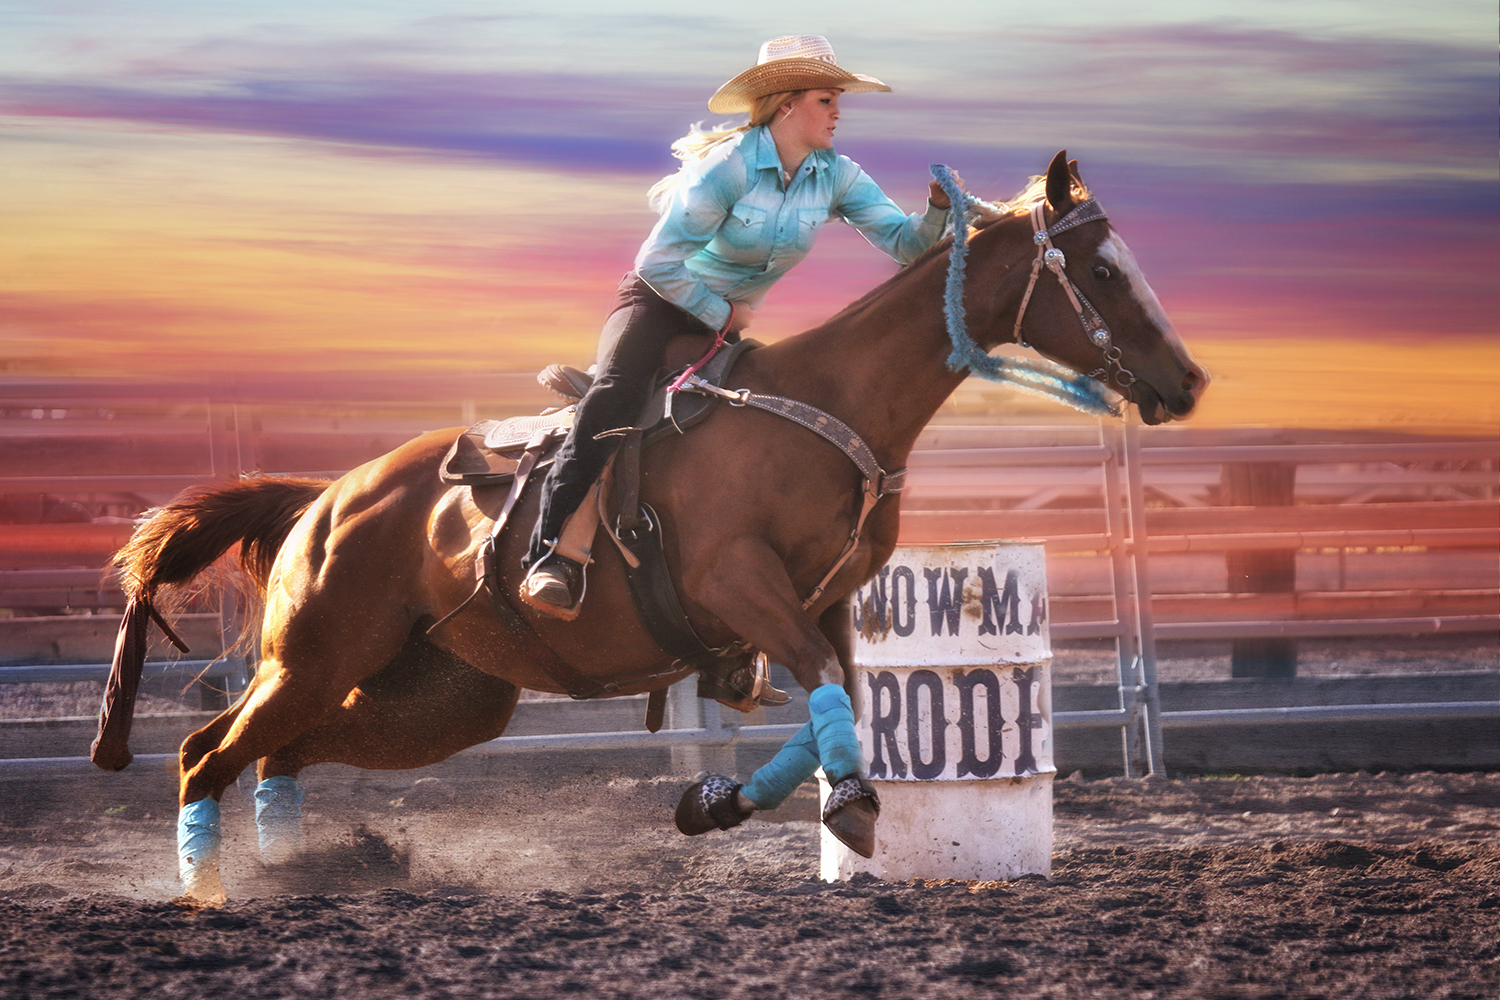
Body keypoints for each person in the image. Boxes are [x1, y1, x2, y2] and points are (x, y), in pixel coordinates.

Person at [520, 34, 961, 616]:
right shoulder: (725, 168)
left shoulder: (838, 175)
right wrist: (723, 314)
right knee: (617, 394)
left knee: (747, 427)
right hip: (657, 302)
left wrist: (935, 208)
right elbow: (657, 264)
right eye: (826, 100)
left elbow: (907, 247)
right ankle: (551, 554)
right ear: (786, 105)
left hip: (722, 324)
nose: (838, 112)